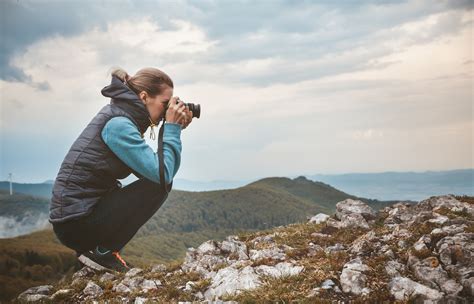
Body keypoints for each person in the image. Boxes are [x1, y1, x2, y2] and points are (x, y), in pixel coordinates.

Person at [48, 67, 194, 272]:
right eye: (165, 104)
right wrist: (172, 129)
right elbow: (163, 175)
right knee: (160, 185)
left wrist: (170, 128)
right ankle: (102, 253)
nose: (166, 110)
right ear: (144, 97)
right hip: (76, 223)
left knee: (159, 182)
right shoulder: (118, 125)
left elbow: (157, 170)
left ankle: (100, 253)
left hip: (77, 217)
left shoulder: (121, 118)